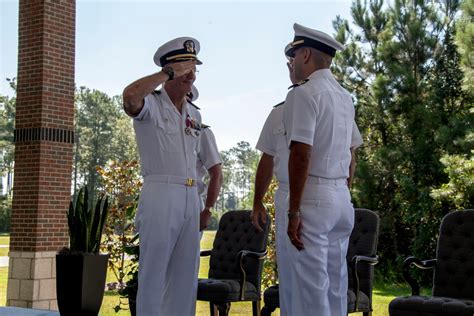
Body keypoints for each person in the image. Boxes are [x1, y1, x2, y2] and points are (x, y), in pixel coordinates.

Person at [282, 23, 362, 315]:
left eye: (294, 57)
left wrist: (294, 211)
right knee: (336, 286)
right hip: (341, 197)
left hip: (315, 196)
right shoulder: (344, 97)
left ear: (305, 55)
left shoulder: (303, 93)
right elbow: (353, 156)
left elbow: (301, 154)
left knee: (311, 289)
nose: (293, 64)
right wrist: (342, 190)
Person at [122, 36, 204, 316]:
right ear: (169, 70)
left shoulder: (194, 113)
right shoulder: (152, 105)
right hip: (161, 192)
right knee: (154, 273)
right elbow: (130, 97)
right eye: (185, 68)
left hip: (191, 196)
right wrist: (166, 73)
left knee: (185, 276)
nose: (191, 75)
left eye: (194, 68)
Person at [187, 85, 223, 236]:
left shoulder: (202, 132)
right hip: (162, 197)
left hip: (191, 197)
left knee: (187, 257)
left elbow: (217, 174)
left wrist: (208, 209)